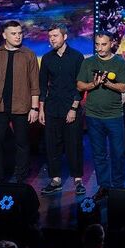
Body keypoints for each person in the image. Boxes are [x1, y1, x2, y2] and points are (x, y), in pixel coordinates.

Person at [0, 20, 40, 183]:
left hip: (22, 107)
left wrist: (34, 108)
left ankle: (21, 177)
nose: (18, 36)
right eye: (13, 34)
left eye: (20, 33)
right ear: (4, 35)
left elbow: (35, 84)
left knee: (22, 143)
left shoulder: (29, 55)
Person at [77, 32, 125, 201]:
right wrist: (93, 84)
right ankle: (104, 186)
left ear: (111, 43)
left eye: (103, 44)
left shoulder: (119, 62)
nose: (99, 48)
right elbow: (80, 85)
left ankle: (119, 187)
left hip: (114, 116)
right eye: (97, 44)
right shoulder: (88, 62)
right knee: (99, 154)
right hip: (93, 116)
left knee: (118, 153)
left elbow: (123, 87)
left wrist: (107, 83)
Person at [38, 24, 86, 195]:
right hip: (52, 108)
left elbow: (81, 85)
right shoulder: (47, 58)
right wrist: (41, 109)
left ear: (64, 37)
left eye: (55, 36)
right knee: (52, 145)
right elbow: (42, 86)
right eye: (50, 36)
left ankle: (78, 179)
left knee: (74, 144)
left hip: (71, 107)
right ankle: (55, 179)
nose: (52, 39)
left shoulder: (77, 57)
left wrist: (73, 108)